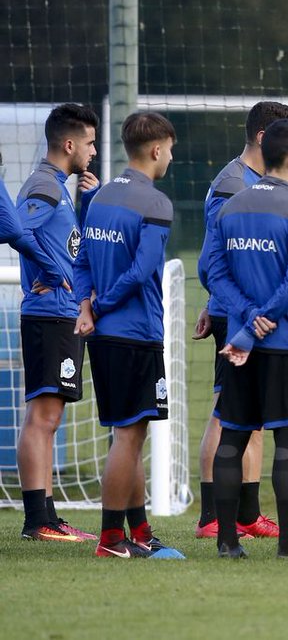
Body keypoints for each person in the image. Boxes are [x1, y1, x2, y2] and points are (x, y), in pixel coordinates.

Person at [207, 118, 288, 559]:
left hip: (240, 344)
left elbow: (212, 272)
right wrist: (259, 320)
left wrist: (244, 318)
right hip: (286, 343)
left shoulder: (230, 207)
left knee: (233, 437)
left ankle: (227, 543)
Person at [193, 101, 288, 540]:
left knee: (251, 418)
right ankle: (209, 516)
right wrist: (222, 305)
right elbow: (215, 258)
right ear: (263, 137)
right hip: (238, 317)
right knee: (227, 416)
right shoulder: (232, 185)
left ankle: (247, 514)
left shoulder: (254, 182)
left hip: (249, 314)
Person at [73, 112, 178, 558]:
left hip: (102, 333)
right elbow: (139, 272)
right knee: (129, 436)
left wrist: (85, 307)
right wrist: (99, 305)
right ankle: (112, 540)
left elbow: (79, 262)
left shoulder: (99, 197)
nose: (171, 157)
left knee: (128, 431)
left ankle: (140, 532)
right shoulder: (155, 203)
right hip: (133, 331)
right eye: (170, 149)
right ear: (156, 150)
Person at [15, 103, 101, 542]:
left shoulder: (60, 188)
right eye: (88, 142)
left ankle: (47, 515)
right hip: (49, 315)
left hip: (61, 315)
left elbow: (65, 242)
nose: (93, 150)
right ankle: (36, 520)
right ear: (69, 144)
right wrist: (50, 274)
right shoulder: (44, 186)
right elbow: (18, 229)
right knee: (42, 416)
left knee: (49, 417)